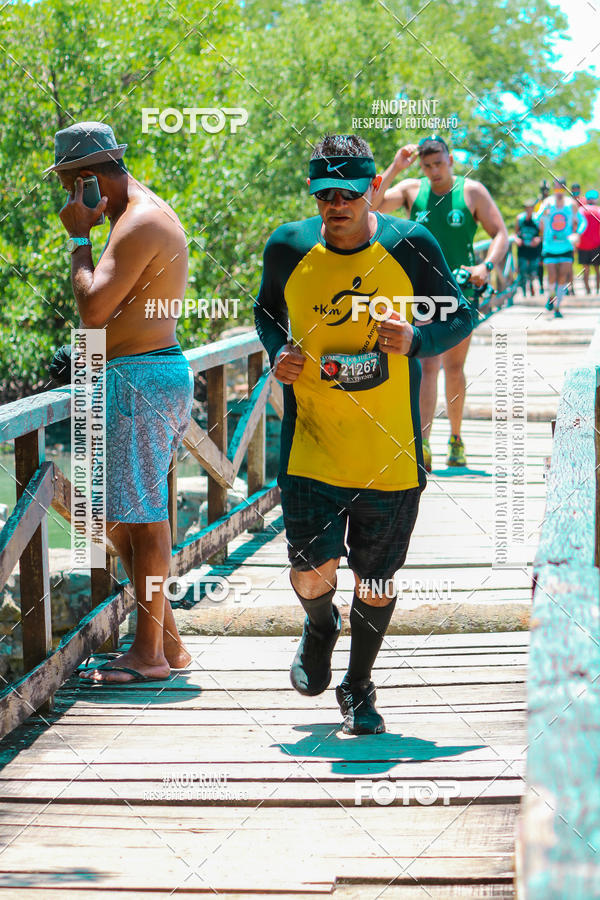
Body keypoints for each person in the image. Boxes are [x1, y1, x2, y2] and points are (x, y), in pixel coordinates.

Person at [254, 133, 473, 735]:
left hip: (391, 454)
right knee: (308, 569)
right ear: (313, 194)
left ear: (373, 187)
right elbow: (267, 313)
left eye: (348, 192)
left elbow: (461, 311)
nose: (336, 204)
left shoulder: (411, 245)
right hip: (312, 445)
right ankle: (319, 625)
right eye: (325, 193)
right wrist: (279, 354)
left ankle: (358, 686)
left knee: (374, 581)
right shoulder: (288, 246)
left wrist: (417, 341)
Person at [47, 121, 194, 684]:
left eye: (68, 184)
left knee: (145, 523)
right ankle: (169, 644)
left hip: (139, 381)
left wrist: (78, 238)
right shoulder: (146, 212)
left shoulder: (135, 223)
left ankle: (149, 654)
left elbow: (93, 310)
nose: (67, 198)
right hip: (144, 376)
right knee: (123, 520)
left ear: (88, 178)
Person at [372, 135, 508, 470]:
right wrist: (394, 166)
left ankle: (456, 439)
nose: (433, 171)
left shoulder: (472, 191)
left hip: (460, 291)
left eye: (438, 163)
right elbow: (370, 207)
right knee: (427, 364)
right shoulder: (411, 190)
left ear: (450, 159)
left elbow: (500, 233)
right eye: (427, 165)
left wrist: (486, 266)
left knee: (454, 367)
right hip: (421, 293)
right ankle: (423, 443)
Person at [535, 177, 586, 318]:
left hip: (566, 247)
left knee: (563, 277)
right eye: (556, 188)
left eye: (561, 188)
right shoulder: (547, 202)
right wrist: (542, 214)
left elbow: (583, 222)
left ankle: (557, 307)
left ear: (565, 188)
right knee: (552, 276)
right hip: (550, 247)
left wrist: (577, 234)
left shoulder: (571, 204)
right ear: (553, 188)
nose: (558, 191)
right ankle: (551, 297)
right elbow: (535, 217)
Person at [514, 200, 542, 297]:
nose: (528, 210)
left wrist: (538, 239)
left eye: (530, 208)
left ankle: (533, 286)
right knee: (523, 269)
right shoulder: (520, 219)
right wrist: (517, 239)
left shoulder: (537, 219)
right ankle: (524, 291)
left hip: (534, 248)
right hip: (523, 248)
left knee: (533, 269)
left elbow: (542, 234)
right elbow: (516, 233)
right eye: (527, 208)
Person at [578, 190, 600, 294]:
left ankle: (588, 290)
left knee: (585, 270)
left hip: (582, 244)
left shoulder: (580, 210)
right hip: (596, 244)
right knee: (597, 269)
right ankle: (597, 290)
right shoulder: (598, 210)